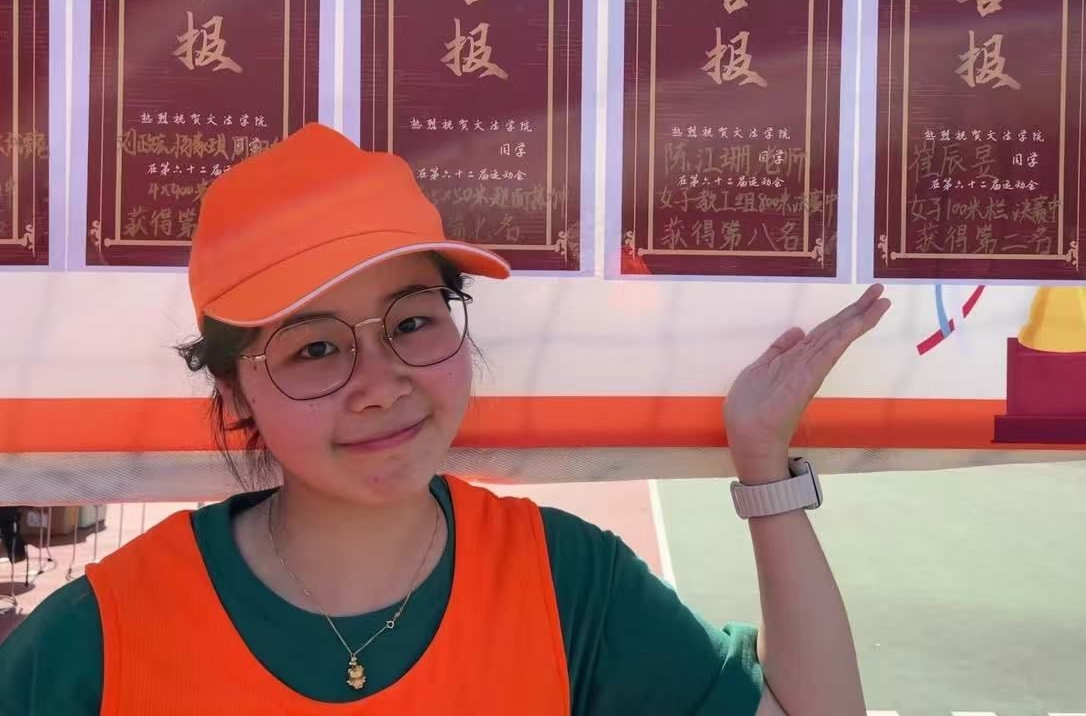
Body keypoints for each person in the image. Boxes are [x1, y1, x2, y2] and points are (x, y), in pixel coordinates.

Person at [0, 123, 891, 715]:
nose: (380, 384)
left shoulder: (568, 585)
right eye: (316, 348)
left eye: (412, 322)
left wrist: (763, 465)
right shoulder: (102, 638)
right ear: (235, 395)